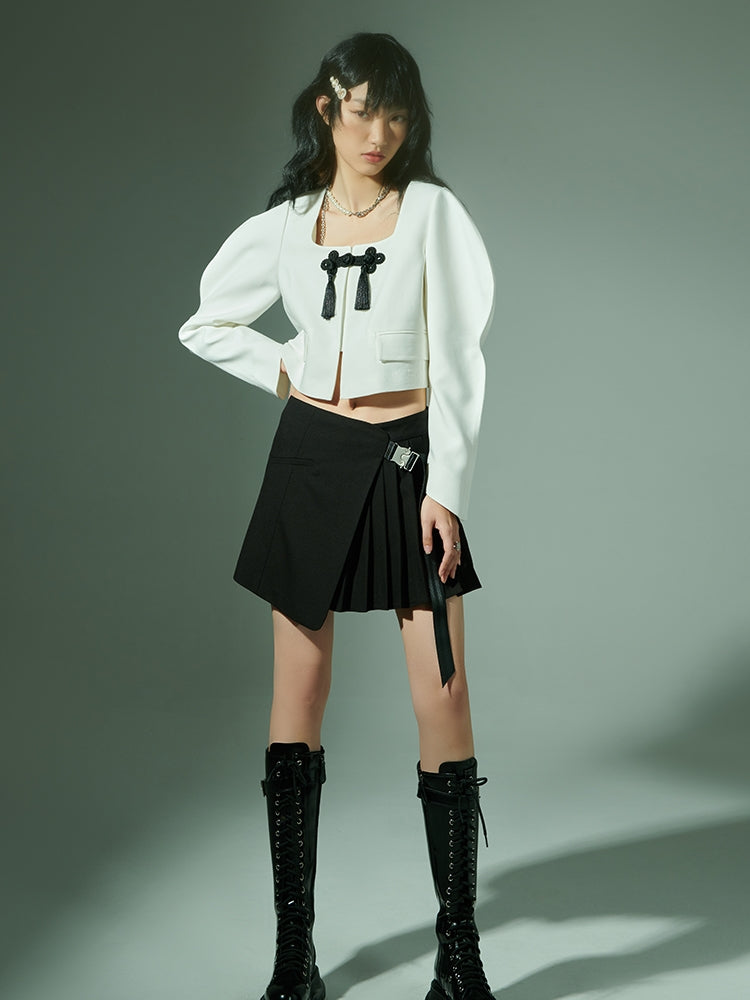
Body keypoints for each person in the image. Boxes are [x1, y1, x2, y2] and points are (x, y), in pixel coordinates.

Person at [178, 32, 495, 1000]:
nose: (379, 133)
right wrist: (294, 368)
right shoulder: (286, 225)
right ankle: (295, 958)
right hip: (310, 460)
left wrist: (448, 487)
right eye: (363, 111)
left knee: (442, 696)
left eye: (397, 115)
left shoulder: (433, 214)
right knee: (298, 701)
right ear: (328, 107)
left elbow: (462, 359)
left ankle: (458, 957)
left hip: (408, 464)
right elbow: (206, 321)